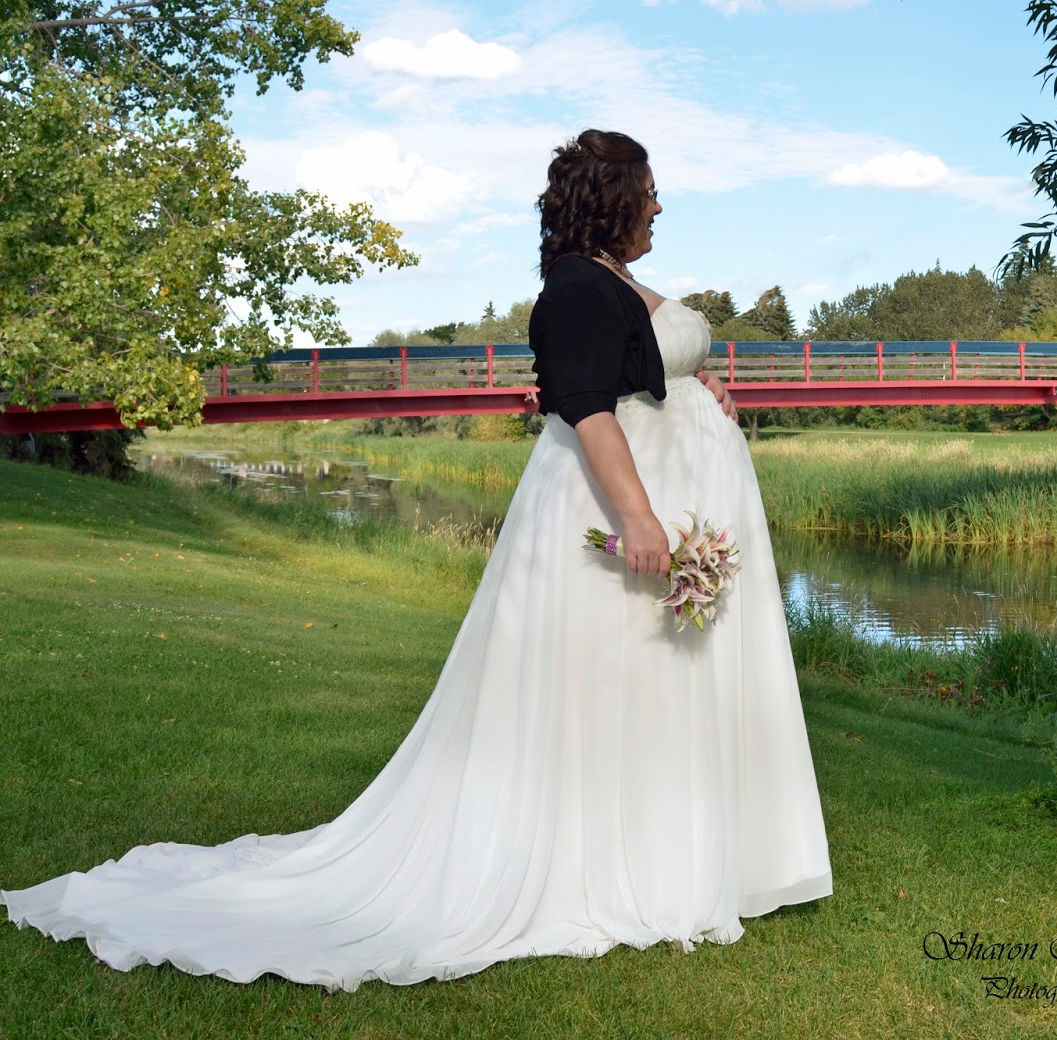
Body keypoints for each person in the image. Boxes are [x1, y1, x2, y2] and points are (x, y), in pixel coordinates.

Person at [1, 129, 833, 989]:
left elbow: (640, 364)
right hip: (620, 510)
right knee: (607, 687)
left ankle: (673, 853)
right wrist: (641, 518)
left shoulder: (609, 279)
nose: (659, 206)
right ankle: (615, 864)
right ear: (616, 199)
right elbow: (589, 409)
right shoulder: (576, 290)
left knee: (649, 688)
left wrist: (695, 382)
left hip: (670, 496)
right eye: (650, 191)